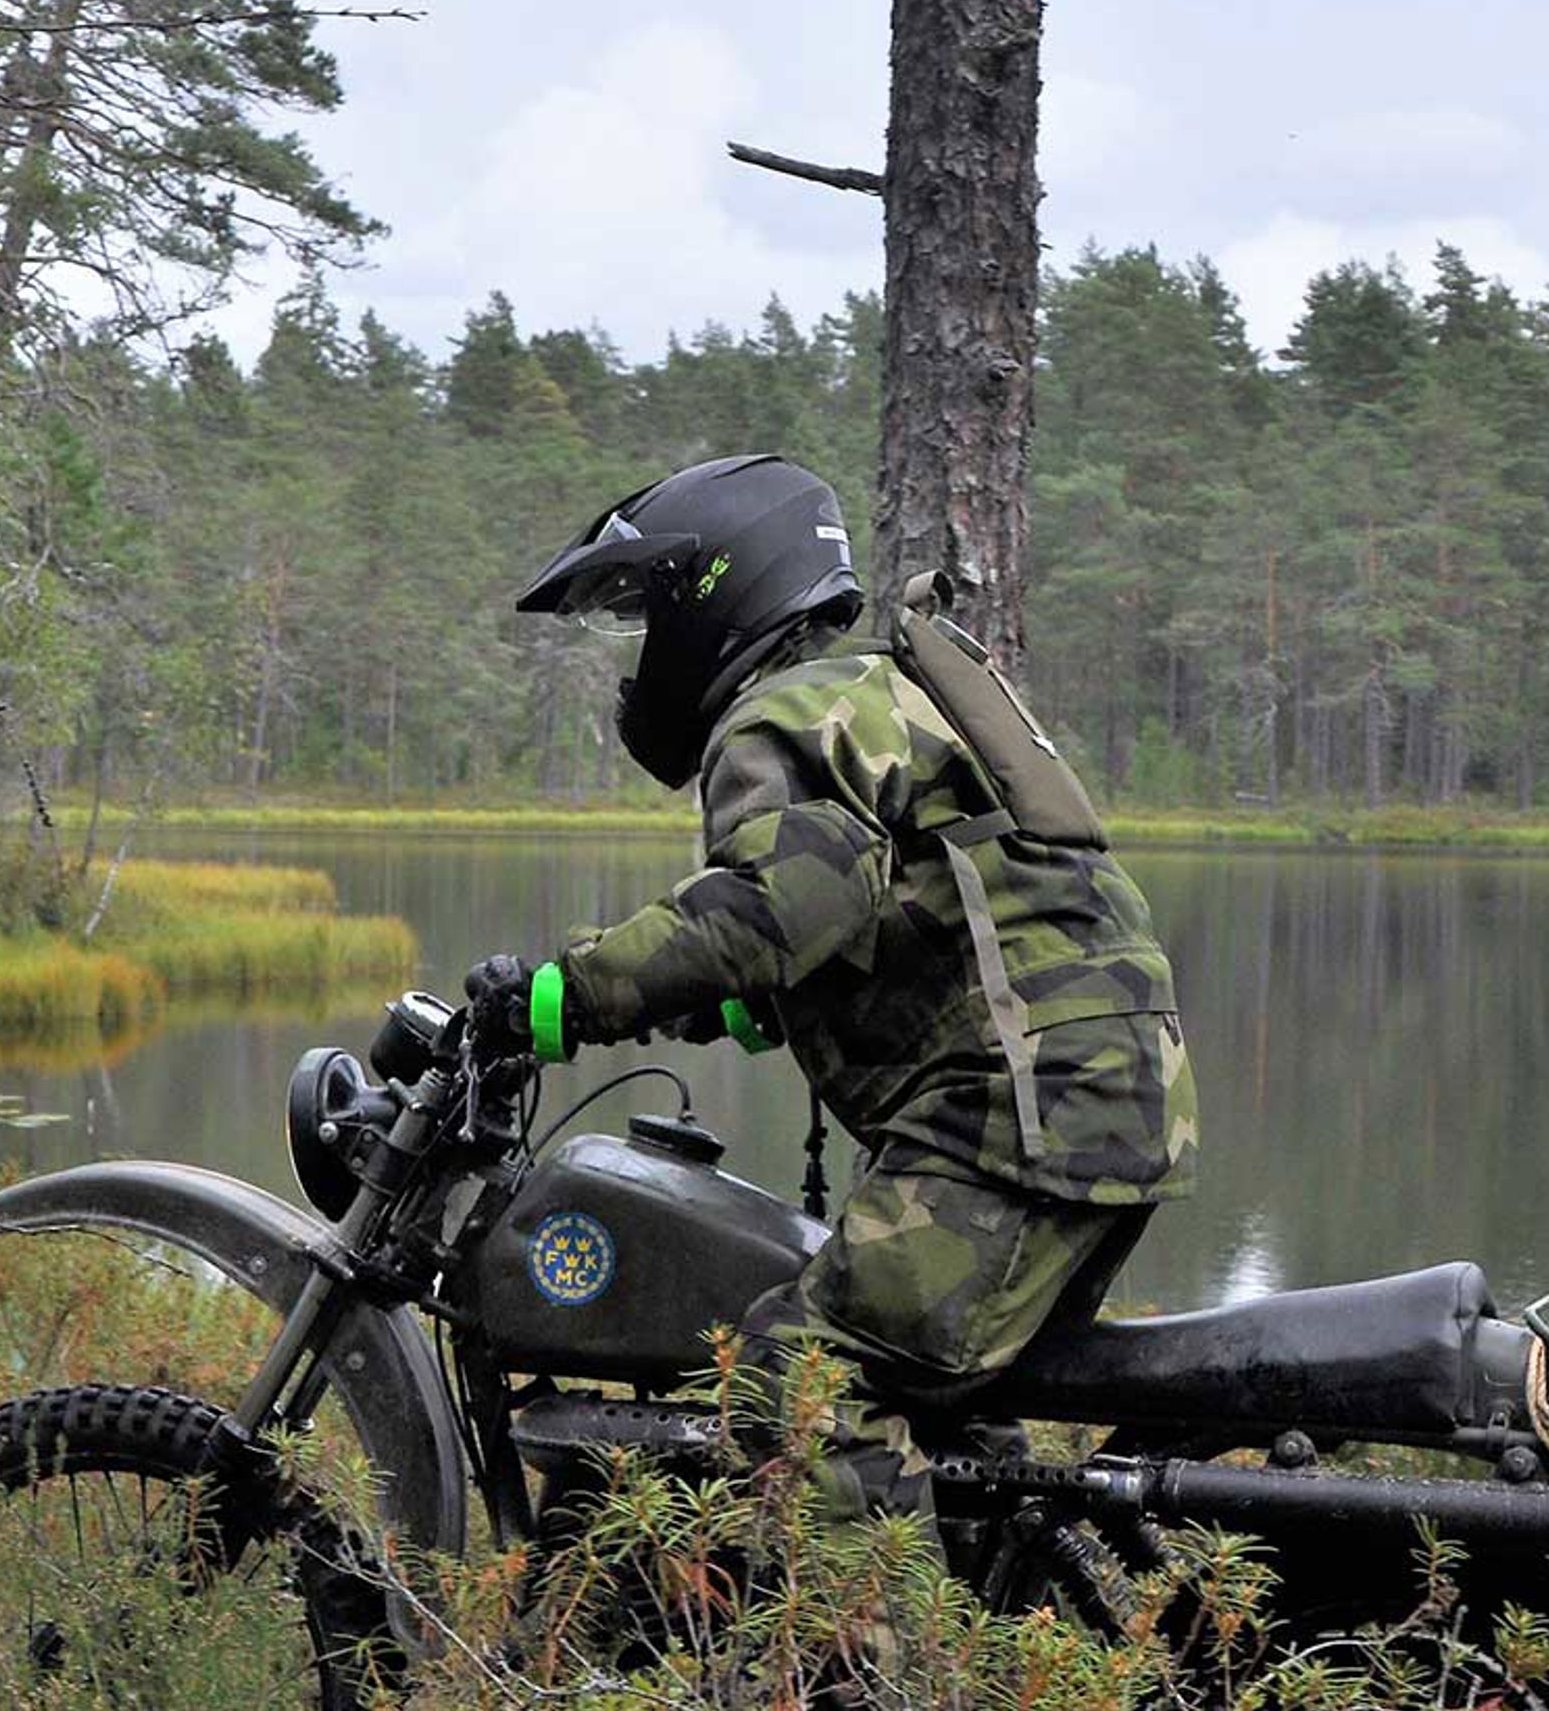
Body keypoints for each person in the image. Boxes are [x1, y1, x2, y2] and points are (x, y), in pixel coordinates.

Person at [465, 453, 1196, 1428]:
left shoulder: (782, 714)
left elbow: (777, 907)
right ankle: (996, 1579)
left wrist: (560, 993)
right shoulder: (876, 693)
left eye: (648, 620)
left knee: (796, 1388)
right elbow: (876, 910)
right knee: (934, 1393)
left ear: (714, 597)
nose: (643, 663)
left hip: (1011, 1124)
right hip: (1105, 1103)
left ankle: (860, 1589)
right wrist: (730, 1003)